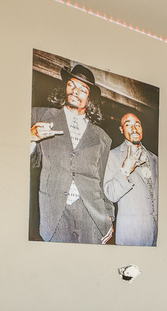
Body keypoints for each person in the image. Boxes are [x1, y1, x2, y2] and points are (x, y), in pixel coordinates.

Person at [30, 63, 114, 244]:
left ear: (89, 97)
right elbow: (28, 163)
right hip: (53, 213)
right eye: (71, 85)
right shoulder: (39, 116)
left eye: (83, 89)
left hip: (92, 215)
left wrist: (109, 218)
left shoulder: (103, 138)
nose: (75, 91)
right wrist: (30, 138)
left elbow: (102, 180)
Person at [103, 112, 158, 246]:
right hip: (132, 235)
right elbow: (110, 194)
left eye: (137, 125)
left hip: (157, 235)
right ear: (122, 130)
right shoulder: (112, 156)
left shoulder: (155, 159)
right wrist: (125, 170)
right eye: (128, 125)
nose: (134, 129)